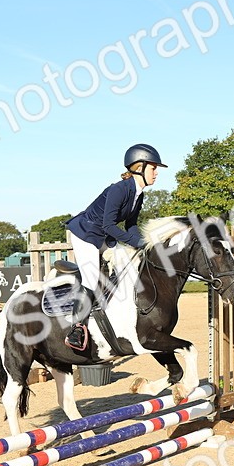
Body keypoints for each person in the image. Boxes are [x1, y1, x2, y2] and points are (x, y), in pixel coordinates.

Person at [63, 143, 165, 349]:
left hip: (103, 235)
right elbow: (108, 224)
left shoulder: (139, 193)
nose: (156, 173)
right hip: (86, 233)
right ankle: (76, 329)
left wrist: (142, 244)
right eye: (153, 168)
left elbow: (131, 224)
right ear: (139, 167)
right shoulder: (118, 190)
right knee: (91, 280)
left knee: (129, 264)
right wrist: (133, 241)